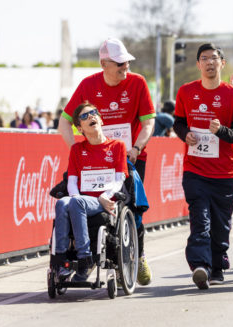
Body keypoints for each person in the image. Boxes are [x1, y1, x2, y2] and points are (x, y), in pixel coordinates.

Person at [58, 38, 156, 285]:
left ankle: (139, 253)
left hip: (130, 156)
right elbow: (63, 123)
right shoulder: (88, 85)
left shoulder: (138, 83)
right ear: (104, 63)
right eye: (120, 63)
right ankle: (81, 255)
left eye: (127, 62)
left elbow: (148, 122)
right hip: (94, 161)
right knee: (75, 200)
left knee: (132, 207)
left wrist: (136, 147)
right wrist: (79, 152)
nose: (126, 67)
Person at [173, 43, 233, 289]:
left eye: (214, 58)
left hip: (224, 172)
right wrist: (185, 135)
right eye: (204, 58)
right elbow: (178, 123)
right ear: (198, 64)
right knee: (200, 220)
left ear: (222, 63)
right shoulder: (186, 91)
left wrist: (221, 131)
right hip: (195, 170)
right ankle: (199, 265)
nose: (209, 62)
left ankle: (217, 263)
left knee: (220, 224)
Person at [54, 102, 128, 281]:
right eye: (85, 116)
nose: (91, 117)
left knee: (75, 202)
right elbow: (72, 182)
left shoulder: (117, 146)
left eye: (94, 113)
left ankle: (84, 256)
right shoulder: (77, 150)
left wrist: (104, 197)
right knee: (62, 202)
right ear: (80, 128)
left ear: (100, 119)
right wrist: (74, 199)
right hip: (81, 200)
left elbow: (119, 180)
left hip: (104, 200)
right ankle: (60, 258)